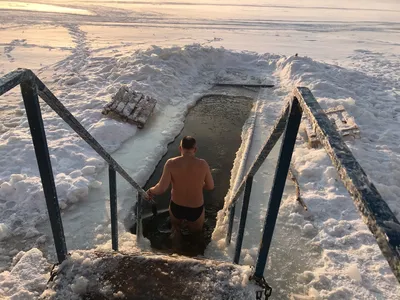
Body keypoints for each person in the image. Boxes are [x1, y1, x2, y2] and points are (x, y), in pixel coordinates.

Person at [146, 136, 214, 245]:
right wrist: (199, 185)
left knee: (175, 231)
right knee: (196, 236)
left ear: (180, 148)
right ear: (195, 149)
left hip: (177, 206)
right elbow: (210, 187)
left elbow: (161, 188)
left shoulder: (171, 163)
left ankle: (175, 253)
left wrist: (150, 191)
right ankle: (196, 256)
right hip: (195, 208)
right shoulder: (203, 164)